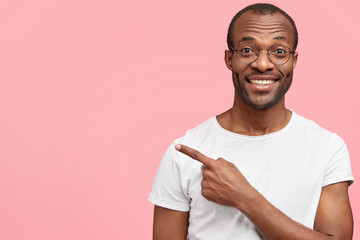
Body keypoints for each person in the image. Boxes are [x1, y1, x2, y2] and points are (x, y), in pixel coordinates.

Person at [149, 3, 354, 240]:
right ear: (229, 59)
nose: (263, 64)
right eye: (247, 50)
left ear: (294, 61)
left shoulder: (327, 148)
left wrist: (245, 197)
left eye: (279, 51)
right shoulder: (184, 152)